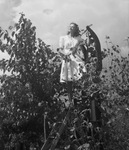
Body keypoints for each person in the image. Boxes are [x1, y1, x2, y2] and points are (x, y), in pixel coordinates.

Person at [58, 22, 86, 104]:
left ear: (76, 29)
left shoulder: (78, 38)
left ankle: (83, 95)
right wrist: (63, 55)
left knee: (82, 73)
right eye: (70, 27)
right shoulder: (63, 38)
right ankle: (70, 101)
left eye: (73, 27)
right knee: (69, 79)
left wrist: (85, 57)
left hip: (76, 58)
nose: (71, 28)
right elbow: (60, 49)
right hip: (67, 57)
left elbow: (84, 47)